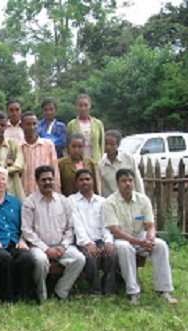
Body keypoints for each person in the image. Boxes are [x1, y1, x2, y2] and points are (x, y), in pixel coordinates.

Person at [103, 168, 177, 305]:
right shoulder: (110, 202)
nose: (128, 184)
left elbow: (150, 225)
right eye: (124, 181)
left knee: (160, 245)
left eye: (130, 180)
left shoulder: (143, 200)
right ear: (117, 183)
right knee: (125, 248)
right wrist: (139, 242)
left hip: (139, 235)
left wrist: (150, 239)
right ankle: (133, 292)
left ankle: (163, 290)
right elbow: (115, 230)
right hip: (121, 239)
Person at [22, 165, 85, 302]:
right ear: (37, 182)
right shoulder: (29, 202)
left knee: (79, 259)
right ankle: (41, 295)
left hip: (61, 245)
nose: (47, 183)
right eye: (43, 180)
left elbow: (70, 227)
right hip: (38, 246)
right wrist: (46, 249)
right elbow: (27, 230)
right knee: (40, 261)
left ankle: (60, 292)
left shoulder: (63, 201)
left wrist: (64, 245)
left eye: (50, 179)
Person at [0, 167, 34, 302]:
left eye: (3, 179)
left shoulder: (16, 202)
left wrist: (22, 240)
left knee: (26, 257)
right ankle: (6, 297)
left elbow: (24, 225)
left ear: (8, 182)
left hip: (15, 241)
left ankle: (22, 296)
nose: (1, 182)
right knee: (5, 259)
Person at [68, 169, 118, 296]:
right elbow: (77, 225)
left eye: (88, 179)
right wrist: (87, 243)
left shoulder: (102, 201)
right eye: (81, 180)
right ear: (76, 183)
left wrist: (108, 242)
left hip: (100, 239)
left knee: (111, 255)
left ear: (93, 181)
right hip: (82, 242)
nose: (85, 182)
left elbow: (107, 224)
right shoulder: (71, 201)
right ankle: (95, 291)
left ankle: (109, 290)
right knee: (90, 257)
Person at [20, 112, 60, 195]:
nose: (32, 127)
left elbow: (55, 171)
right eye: (28, 124)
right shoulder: (17, 146)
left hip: (44, 193)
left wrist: (57, 192)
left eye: (34, 124)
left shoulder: (48, 145)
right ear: (22, 126)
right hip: (23, 194)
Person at [100, 130, 144, 198]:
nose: (108, 147)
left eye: (112, 144)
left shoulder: (128, 158)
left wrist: (141, 198)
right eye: (106, 144)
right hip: (113, 203)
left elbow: (137, 180)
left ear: (118, 145)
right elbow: (103, 189)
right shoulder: (101, 164)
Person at [67, 94, 105, 162]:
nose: (83, 108)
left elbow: (102, 144)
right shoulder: (71, 125)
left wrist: (101, 159)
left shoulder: (98, 124)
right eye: (80, 105)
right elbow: (67, 145)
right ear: (77, 107)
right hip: (77, 161)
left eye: (85, 105)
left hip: (95, 161)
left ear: (90, 106)